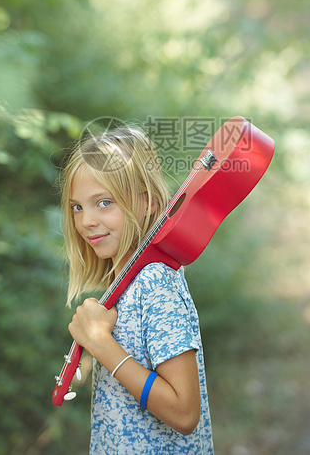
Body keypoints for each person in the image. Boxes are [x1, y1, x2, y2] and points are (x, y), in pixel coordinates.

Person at [61, 123, 214, 454]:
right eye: (77, 206)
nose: (86, 220)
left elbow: (185, 412)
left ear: (146, 201)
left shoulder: (155, 282)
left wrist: (103, 346)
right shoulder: (122, 284)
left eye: (103, 203)